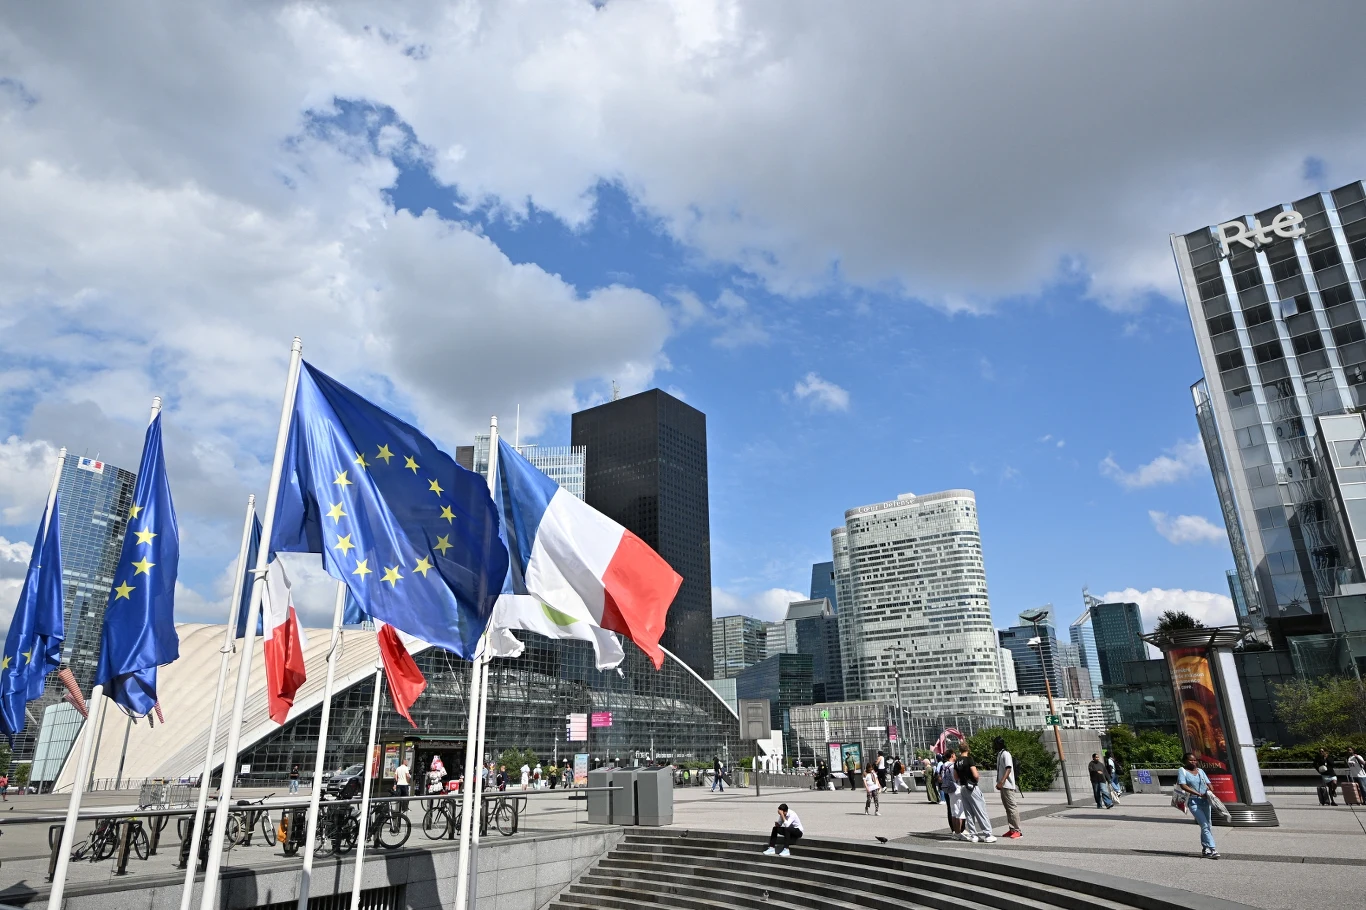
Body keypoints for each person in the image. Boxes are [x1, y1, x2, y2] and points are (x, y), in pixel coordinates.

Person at [1177, 752, 1219, 859]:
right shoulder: (1182, 771)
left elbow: (1208, 783)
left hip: (1205, 801)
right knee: (1204, 824)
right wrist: (1197, 793)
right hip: (1193, 802)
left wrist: (1210, 790)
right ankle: (1213, 849)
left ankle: (1205, 848)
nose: (1193, 762)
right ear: (1185, 761)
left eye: (1195, 760)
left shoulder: (1200, 771)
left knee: (1208, 824)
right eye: (1191, 760)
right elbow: (1183, 785)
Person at [956, 741, 995, 843]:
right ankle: (988, 834)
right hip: (972, 787)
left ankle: (973, 835)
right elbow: (975, 774)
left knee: (968, 812)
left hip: (963, 787)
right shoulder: (969, 760)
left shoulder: (957, 761)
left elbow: (955, 776)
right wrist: (975, 780)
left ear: (959, 750)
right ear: (968, 749)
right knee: (980, 810)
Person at [994, 736, 1022, 839]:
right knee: (1008, 809)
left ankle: (1018, 830)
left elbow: (1008, 769)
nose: (994, 745)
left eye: (995, 743)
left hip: (1008, 785)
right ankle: (1012, 829)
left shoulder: (1006, 754)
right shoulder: (1000, 754)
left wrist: (1001, 782)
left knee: (1012, 808)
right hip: (1003, 786)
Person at [938, 749, 965, 839]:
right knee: (960, 812)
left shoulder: (943, 765)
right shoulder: (953, 766)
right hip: (956, 788)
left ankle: (954, 831)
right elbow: (957, 777)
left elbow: (940, 778)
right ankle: (959, 832)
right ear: (952, 755)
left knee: (953, 811)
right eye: (954, 755)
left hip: (948, 790)